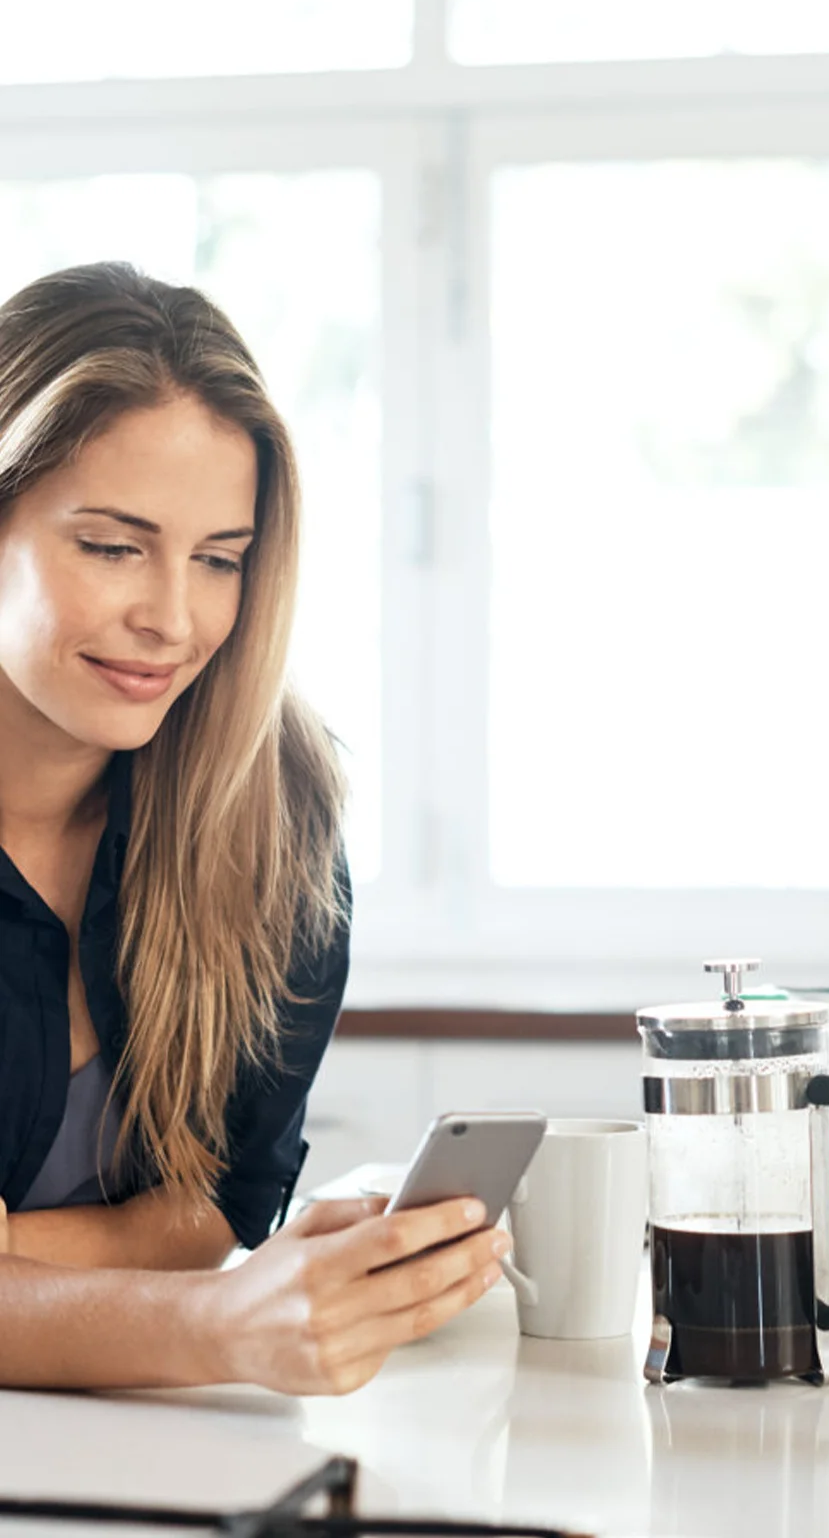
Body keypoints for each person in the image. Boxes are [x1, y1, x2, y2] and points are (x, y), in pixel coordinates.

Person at [0, 262, 505, 1393]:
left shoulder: (272, 809)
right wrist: (214, 1321)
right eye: (112, 546)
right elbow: (195, 1258)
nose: (172, 619)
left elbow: (219, 1206)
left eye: (220, 559)